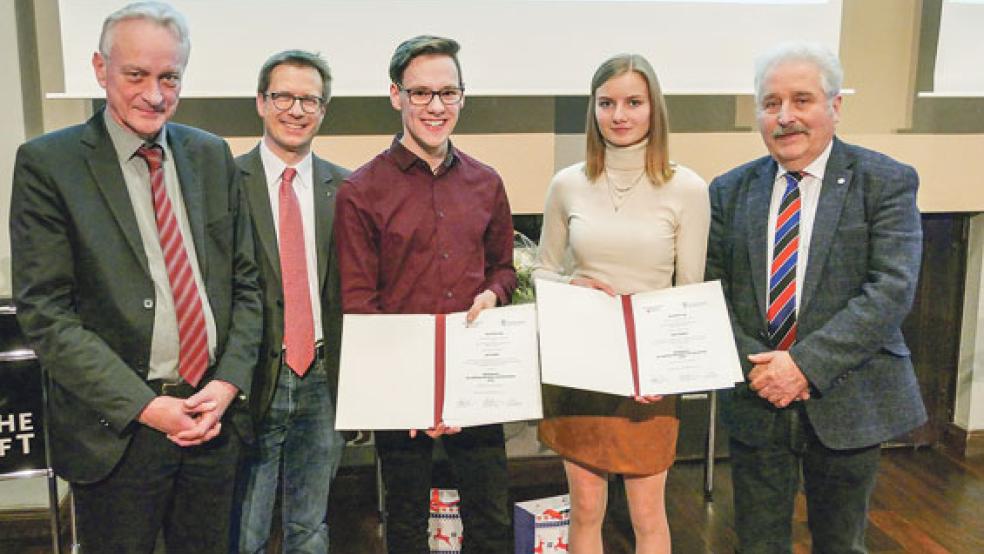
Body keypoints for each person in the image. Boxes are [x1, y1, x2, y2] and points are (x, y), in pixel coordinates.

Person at [9, 2, 262, 552]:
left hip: (212, 422)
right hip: (119, 431)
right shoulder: (49, 165)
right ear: (100, 69)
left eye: (170, 77)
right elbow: (47, 314)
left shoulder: (211, 155)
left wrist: (226, 384)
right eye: (136, 75)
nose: (155, 94)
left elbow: (247, 285)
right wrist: (146, 407)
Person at [705, 42, 926, 553]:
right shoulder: (729, 190)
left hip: (848, 395)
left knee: (840, 543)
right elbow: (711, 291)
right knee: (757, 545)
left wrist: (802, 366)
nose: (785, 117)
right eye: (771, 103)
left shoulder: (886, 181)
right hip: (758, 395)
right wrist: (763, 369)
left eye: (801, 100)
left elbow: (891, 289)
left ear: (835, 106)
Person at [333, 35, 516, 554]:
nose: (436, 106)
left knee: (491, 519)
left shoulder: (486, 182)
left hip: (475, 378)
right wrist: (406, 394)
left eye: (447, 93)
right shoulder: (361, 191)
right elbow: (360, 304)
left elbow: (503, 269)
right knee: (407, 523)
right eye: (421, 93)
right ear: (396, 95)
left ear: (462, 96)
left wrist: (494, 294)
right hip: (400, 384)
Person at [533, 54, 709, 553]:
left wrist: (663, 371)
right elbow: (542, 271)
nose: (619, 115)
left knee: (647, 514)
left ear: (655, 108)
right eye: (606, 103)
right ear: (593, 109)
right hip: (580, 369)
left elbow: (688, 293)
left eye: (633, 102)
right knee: (586, 507)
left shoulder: (687, 188)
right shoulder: (567, 183)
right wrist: (571, 286)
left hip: (647, 378)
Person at [235, 50, 349, 553]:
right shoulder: (226, 182)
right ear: (261, 102)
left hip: (322, 376)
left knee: (310, 525)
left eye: (310, 100)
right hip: (253, 376)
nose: (296, 110)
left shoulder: (346, 187)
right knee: (247, 529)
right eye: (283, 97)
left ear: (323, 110)